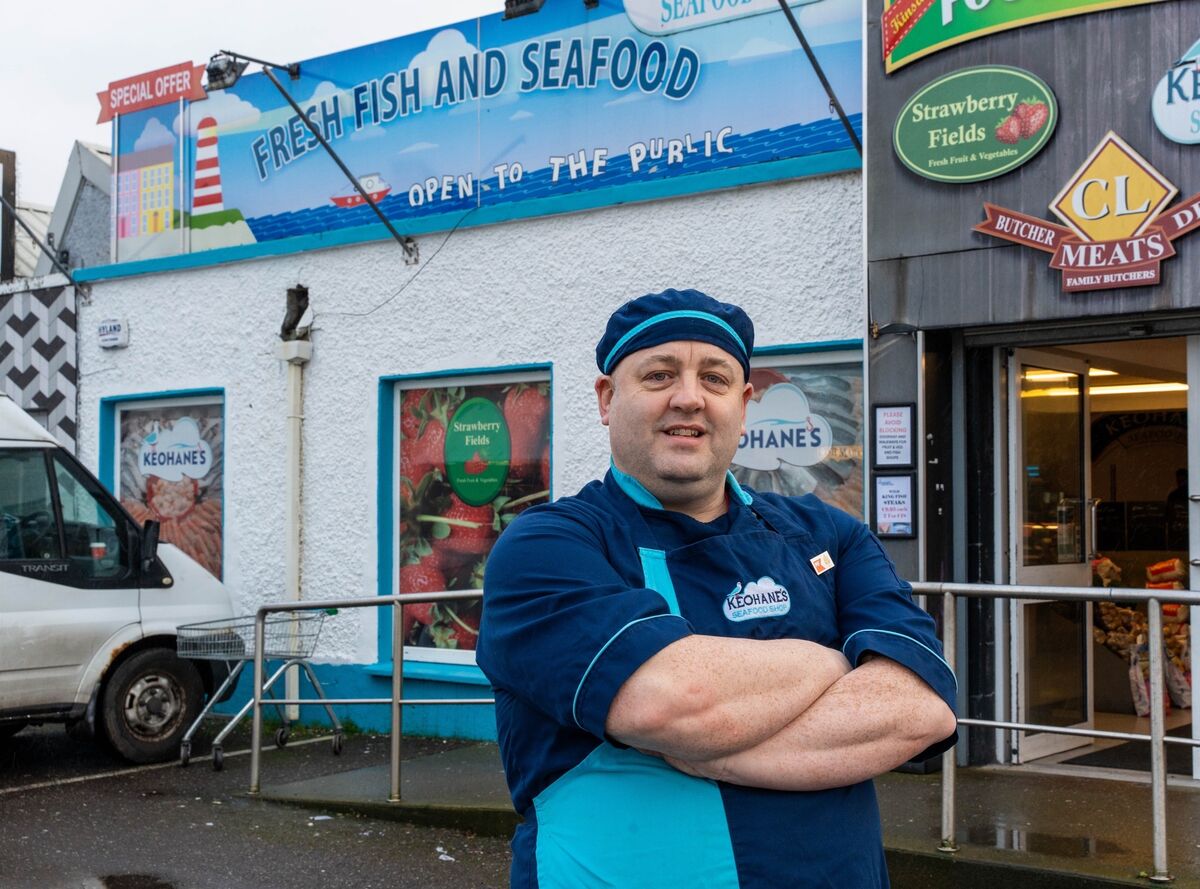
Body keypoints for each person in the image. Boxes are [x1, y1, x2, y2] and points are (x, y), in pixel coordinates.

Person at [476, 289, 958, 889]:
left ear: (744, 403)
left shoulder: (830, 532)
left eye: (715, 377)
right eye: (658, 375)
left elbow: (919, 710)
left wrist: (706, 745)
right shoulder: (548, 545)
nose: (688, 397)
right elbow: (675, 701)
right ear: (607, 398)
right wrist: (836, 662)